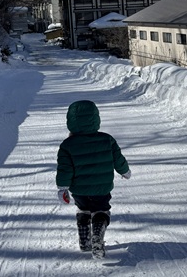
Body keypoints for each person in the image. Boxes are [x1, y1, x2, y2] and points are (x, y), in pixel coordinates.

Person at [56, 100, 131, 259]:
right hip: (102, 188)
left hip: (79, 190)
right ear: (96, 118)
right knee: (101, 210)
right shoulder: (107, 139)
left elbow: (64, 169)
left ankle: (85, 240)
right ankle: (97, 233)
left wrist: (63, 188)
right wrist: (125, 171)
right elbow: (118, 159)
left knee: (83, 209)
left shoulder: (67, 145)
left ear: (70, 121)